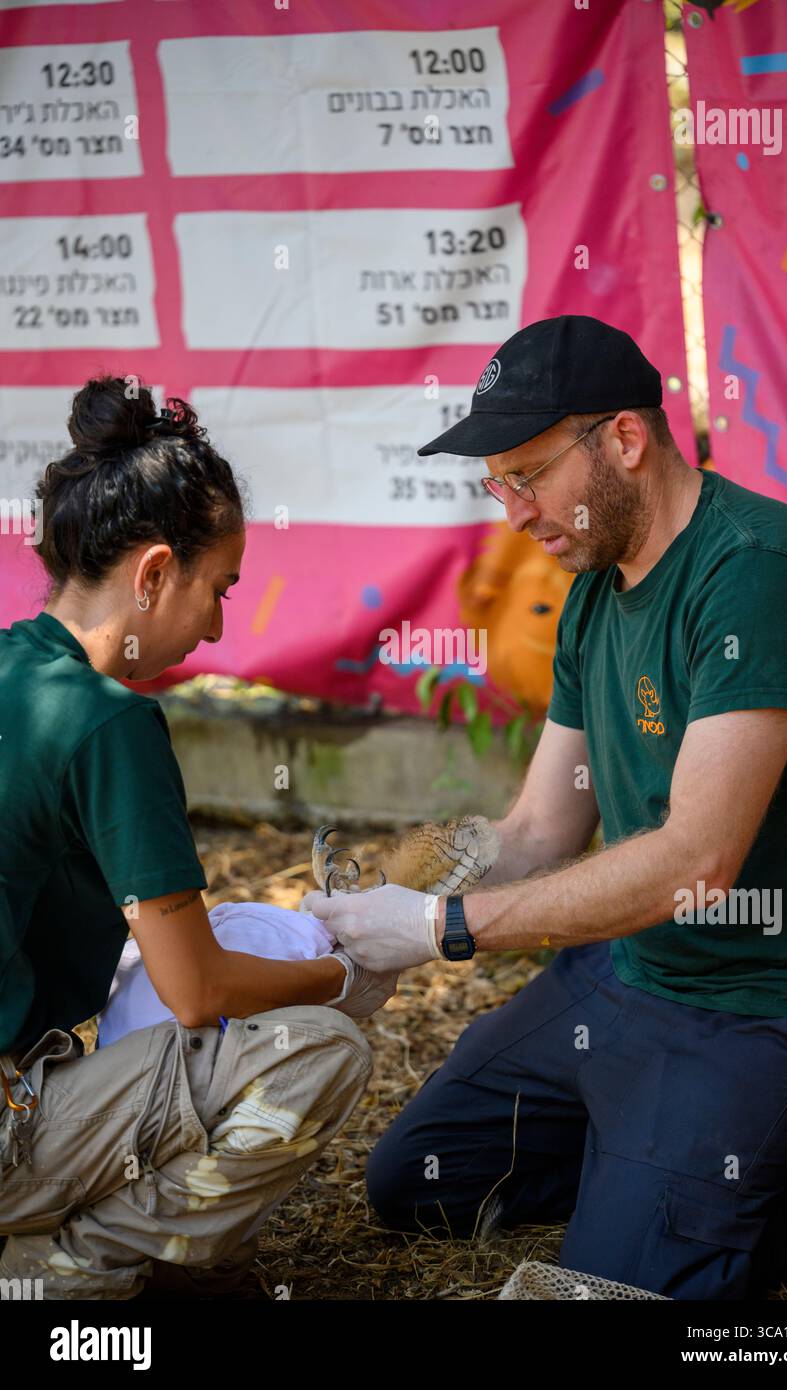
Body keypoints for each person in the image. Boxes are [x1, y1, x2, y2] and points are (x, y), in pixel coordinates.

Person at [302, 315, 787, 1300]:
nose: (511, 510)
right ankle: (647, 1153)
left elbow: (696, 863)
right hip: (628, 969)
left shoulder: (753, 574)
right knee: (416, 1183)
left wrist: (440, 931)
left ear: (623, 439)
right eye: (495, 483)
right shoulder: (595, 592)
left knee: (612, 1287)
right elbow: (533, 833)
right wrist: (367, 930)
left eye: (525, 474)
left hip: (768, 999)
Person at [0, 376, 396, 1301]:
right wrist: (348, 978)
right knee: (322, 1054)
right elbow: (197, 990)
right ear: (152, 573)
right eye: (216, 589)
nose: (218, 624)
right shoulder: (106, 723)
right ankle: (67, 1272)